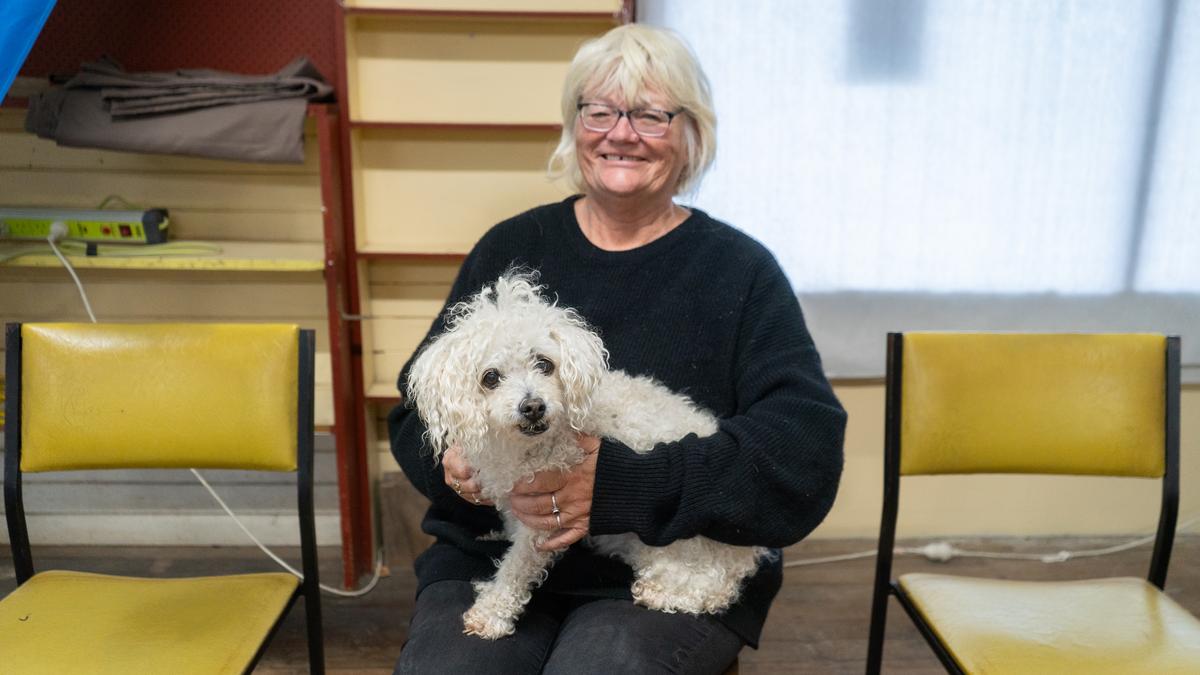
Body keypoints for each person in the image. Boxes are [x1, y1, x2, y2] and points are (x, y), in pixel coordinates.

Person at [389, 23, 846, 675]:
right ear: (575, 126)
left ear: (690, 134)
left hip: (664, 562)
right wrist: (459, 463)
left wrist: (621, 485)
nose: (621, 132)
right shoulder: (509, 249)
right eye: (599, 110)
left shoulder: (740, 272)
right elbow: (414, 413)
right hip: (494, 551)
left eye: (650, 115)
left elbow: (802, 455)